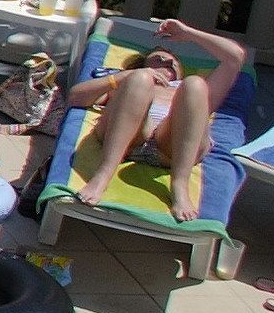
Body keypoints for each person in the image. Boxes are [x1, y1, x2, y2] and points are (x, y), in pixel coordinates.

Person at [65, 18, 251, 209]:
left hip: (173, 148)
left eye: (173, 62)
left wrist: (188, 33)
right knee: (140, 80)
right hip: (128, 139)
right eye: (158, 58)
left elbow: (235, 56)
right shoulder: (127, 82)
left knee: (195, 84)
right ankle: (103, 174)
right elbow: (75, 97)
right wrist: (123, 76)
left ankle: (179, 184)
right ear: (143, 64)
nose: (167, 61)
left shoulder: (190, 91)